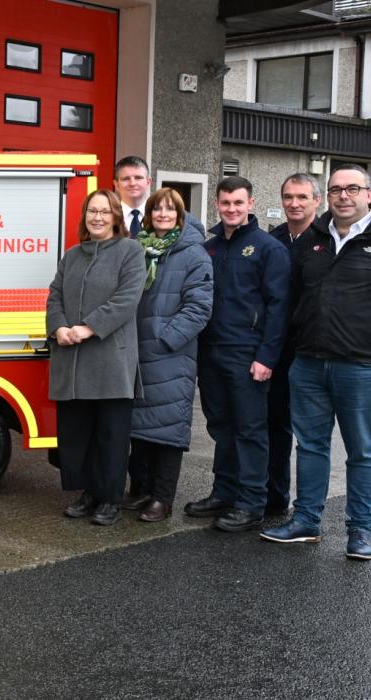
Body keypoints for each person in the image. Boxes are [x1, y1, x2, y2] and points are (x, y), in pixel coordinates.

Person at [261, 164, 371, 560]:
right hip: (307, 363)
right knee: (310, 445)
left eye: (352, 189)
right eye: (337, 189)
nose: (344, 196)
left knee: (362, 451)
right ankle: (306, 520)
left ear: (368, 195)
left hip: (360, 365)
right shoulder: (312, 241)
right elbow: (290, 300)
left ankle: (361, 530)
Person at [186, 176, 290, 532]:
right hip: (212, 352)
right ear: (217, 204)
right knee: (220, 426)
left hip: (248, 354)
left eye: (238, 203)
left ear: (251, 204)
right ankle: (224, 492)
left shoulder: (267, 248)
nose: (231, 209)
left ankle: (251, 502)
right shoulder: (210, 247)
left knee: (250, 429)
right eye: (226, 203)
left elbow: (279, 308)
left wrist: (266, 357)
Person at [47, 189, 146, 526]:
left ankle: (110, 498)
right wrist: (59, 327)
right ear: (85, 216)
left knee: (111, 436)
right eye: (92, 211)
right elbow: (54, 295)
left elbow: (127, 299)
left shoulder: (130, 251)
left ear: (116, 217)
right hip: (72, 360)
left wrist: (88, 328)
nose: (98, 217)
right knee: (79, 434)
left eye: (105, 211)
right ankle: (87, 493)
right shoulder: (71, 256)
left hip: (110, 361)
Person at [125, 188, 213, 522]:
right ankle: (142, 489)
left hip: (169, 354)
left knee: (168, 429)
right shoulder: (138, 248)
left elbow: (199, 307)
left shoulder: (194, 254)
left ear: (180, 214)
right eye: (157, 209)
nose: (163, 214)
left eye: (170, 209)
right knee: (139, 427)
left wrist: (165, 340)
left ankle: (163, 498)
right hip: (135, 351)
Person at [262, 173, 321, 518]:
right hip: (277, 350)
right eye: (288, 197)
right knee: (276, 425)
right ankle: (274, 496)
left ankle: (309, 509)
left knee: (312, 435)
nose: (294, 203)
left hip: (311, 349)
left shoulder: (325, 240)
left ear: (317, 200)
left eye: (302, 197)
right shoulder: (275, 239)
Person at [114, 155, 153, 238]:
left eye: (138, 178)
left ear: (148, 183)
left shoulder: (161, 216)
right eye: (126, 179)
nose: (132, 183)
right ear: (116, 185)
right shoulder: (108, 216)